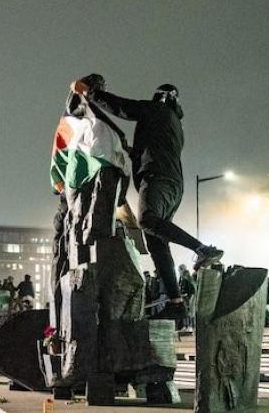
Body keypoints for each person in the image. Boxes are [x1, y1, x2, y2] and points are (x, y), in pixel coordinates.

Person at [75, 79, 224, 319]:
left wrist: (93, 94)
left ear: (162, 98)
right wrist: (131, 151)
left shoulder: (157, 109)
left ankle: (201, 249)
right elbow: (155, 148)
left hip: (157, 178)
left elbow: (123, 108)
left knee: (146, 220)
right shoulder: (174, 123)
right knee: (156, 241)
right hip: (172, 184)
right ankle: (176, 303)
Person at [178, 265, 196, 331]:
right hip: (183, 297)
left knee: (190, 312)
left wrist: (189, 297)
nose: (179, 272)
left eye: (179, 270)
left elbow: (191, 289)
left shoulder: (187, 277)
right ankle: (186, 325)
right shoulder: (181, 278)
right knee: (185, 312)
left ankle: (191, 326)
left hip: (188, 297)